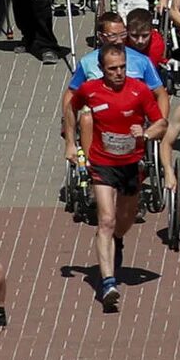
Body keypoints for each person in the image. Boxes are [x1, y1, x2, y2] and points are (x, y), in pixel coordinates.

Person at [65, 48, 168, 312]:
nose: (119, 72)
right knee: (106, 220)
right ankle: (108, 283)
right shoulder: (90, 90)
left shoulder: (139, 90)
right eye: (112, 68)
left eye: (122, 67)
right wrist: (70, 142)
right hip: (102, 164)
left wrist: (145, 132)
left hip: (131, 165)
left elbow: (161, 123)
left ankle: (117, 240)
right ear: (102, 69)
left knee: (126, 218)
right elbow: (70, 108)